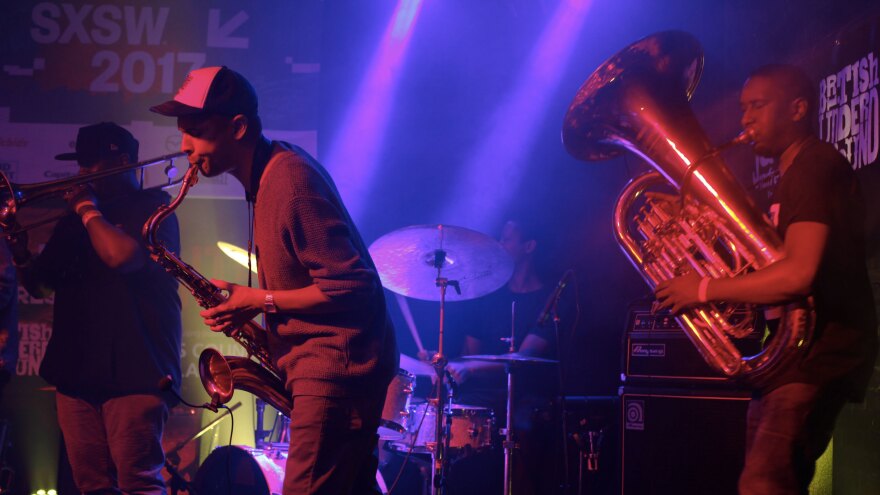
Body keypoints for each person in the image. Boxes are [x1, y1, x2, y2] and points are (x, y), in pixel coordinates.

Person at [150, 66, 398, 495]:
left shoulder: (289, 181)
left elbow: (354, 286)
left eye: (196, 130)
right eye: (182, 131)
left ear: (238, 127)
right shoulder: (267, 178)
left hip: (335, 371)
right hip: (328, 370)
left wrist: (259, 300)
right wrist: (244, 301)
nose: (185, 146)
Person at [655, 64, 877, 494]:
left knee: (764, 484)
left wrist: (701, 289)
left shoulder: (814, 167)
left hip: (819, 351)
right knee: (762, 482)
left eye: (758, 106)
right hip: (791, 355)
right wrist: (697, 221)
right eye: (743, 108)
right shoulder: (792, 174)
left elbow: (797, 274)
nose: (745, 119)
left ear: (797, 109)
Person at [4, 122, 182, 494]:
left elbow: (122, 257)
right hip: (77, 372)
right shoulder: (74, 220)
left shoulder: (156, 209)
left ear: (124, 160)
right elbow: (39, 285)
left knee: (139, 483)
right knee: (92, 486)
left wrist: (87, 210)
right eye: (80, 163)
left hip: (136, 371)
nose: (82, 172)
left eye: (92, 163)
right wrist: (18, 247)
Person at [444, 218, 565, 495]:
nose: (499, 244)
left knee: (523, 424)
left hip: (525, 398)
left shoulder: (549, 299)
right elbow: (468, 355)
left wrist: (472, 368)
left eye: (507, 238)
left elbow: (525, 357)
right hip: (480, 397)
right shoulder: (487, 296)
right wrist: (451, 365)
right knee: (447, 417)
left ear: (529, 246)